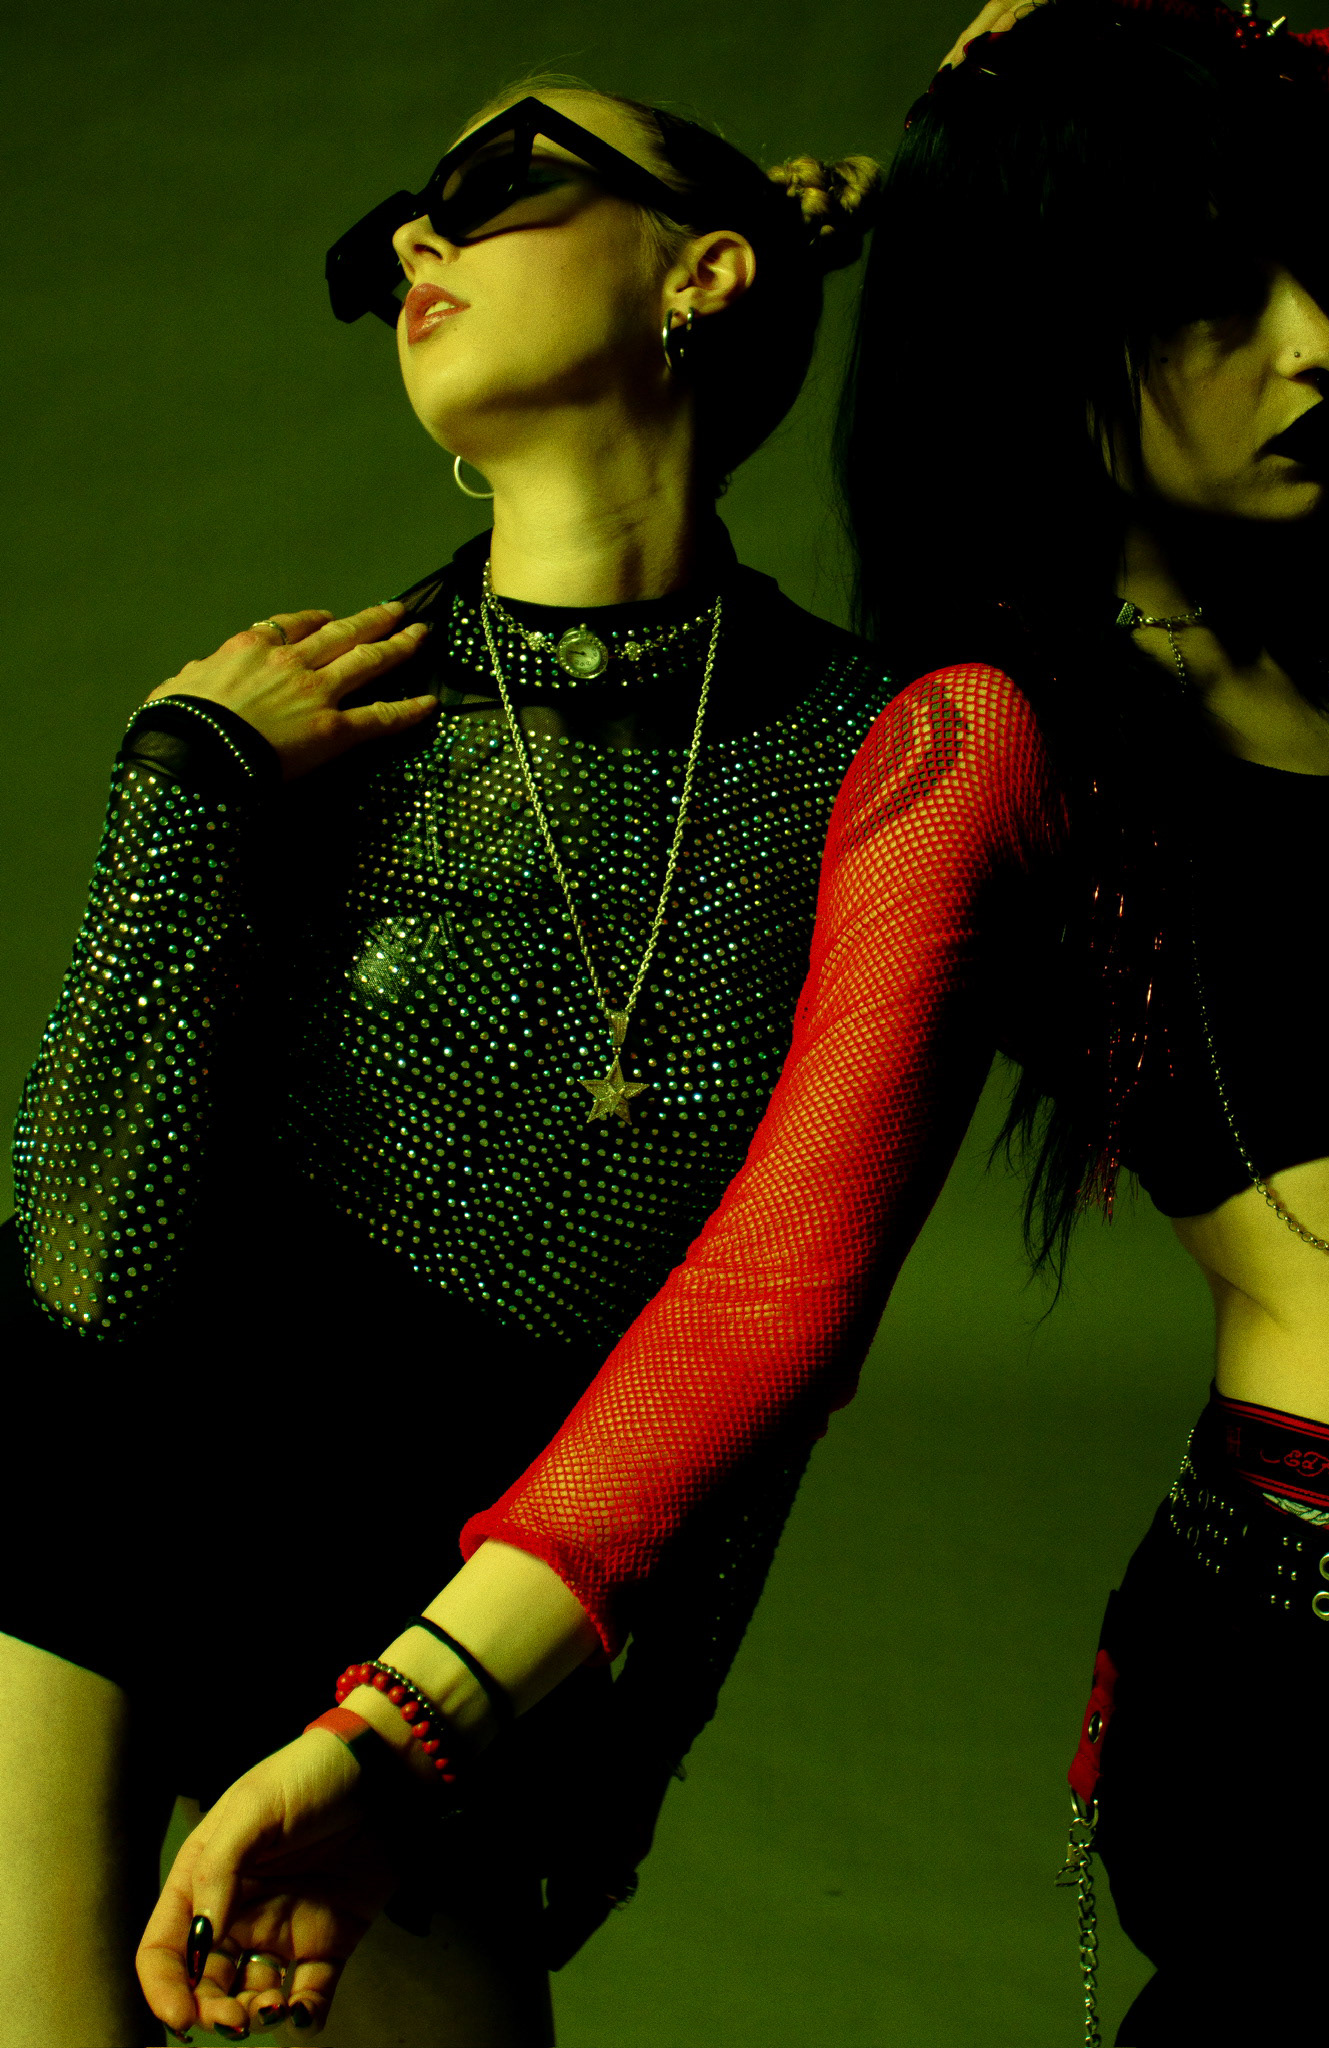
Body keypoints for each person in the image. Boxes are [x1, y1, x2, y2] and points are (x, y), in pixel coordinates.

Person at [120, 2, 1329, 2042]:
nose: (1317, 344)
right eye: (1220, 297)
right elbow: (770, 1293)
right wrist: (398, 1732)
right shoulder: (984, 744)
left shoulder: (1321, 600)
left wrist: (1252, 57)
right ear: (1046, 330)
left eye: (1310, 277)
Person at [2, 73, 886, 2048]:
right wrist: (180, 796)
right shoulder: (320, 710)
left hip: (459, 1579)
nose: (422, 235)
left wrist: (631, 1740)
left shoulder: (869, 748)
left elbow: (773, 1333)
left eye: (496, 186)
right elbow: (78, 1276)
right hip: (120, 1485)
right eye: (411, 211)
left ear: (704, 272)